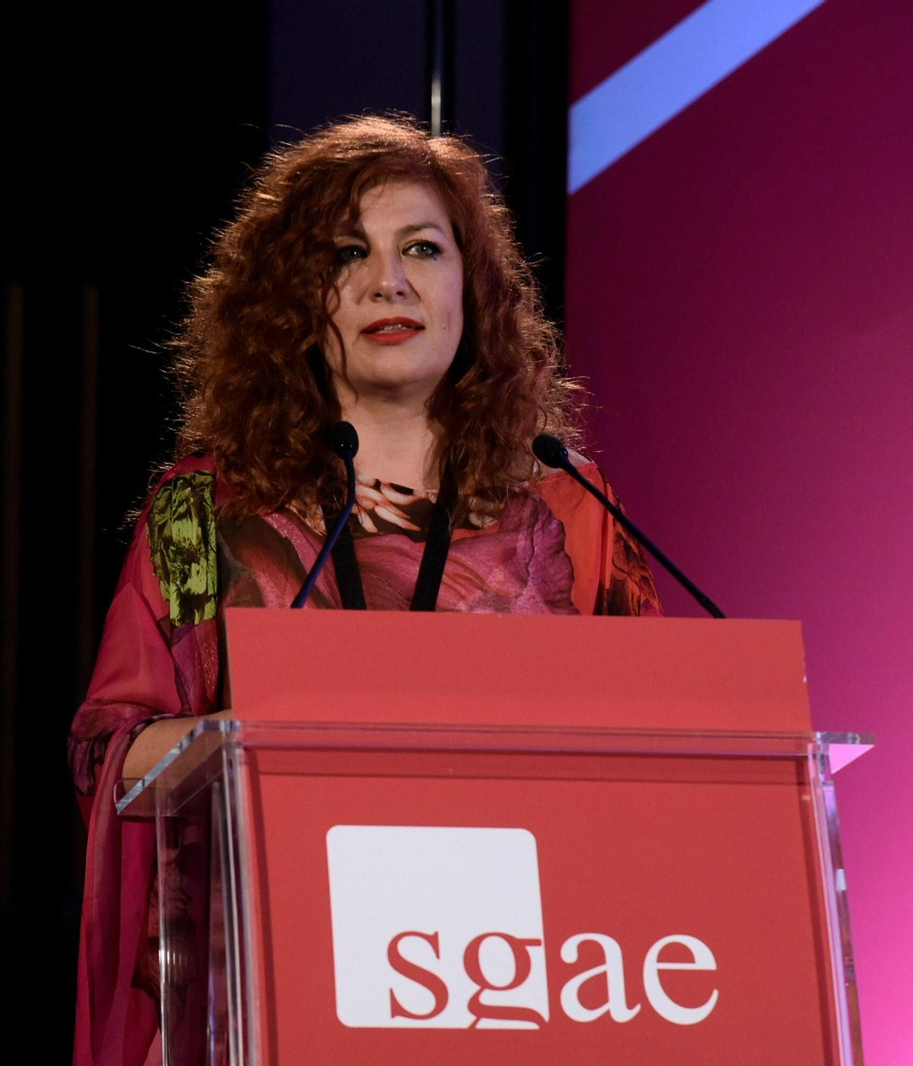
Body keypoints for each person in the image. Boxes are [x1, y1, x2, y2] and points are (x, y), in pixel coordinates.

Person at [67, 114, 661, 1066]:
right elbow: (113, 754)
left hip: (513, 986)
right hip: (264, 984)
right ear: (296, 303)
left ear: (473, 286)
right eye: (349, 254)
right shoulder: (199, 515)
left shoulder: (568, 509)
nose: (390, 280)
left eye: (422, 247)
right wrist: (252, 738)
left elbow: (663, 756)